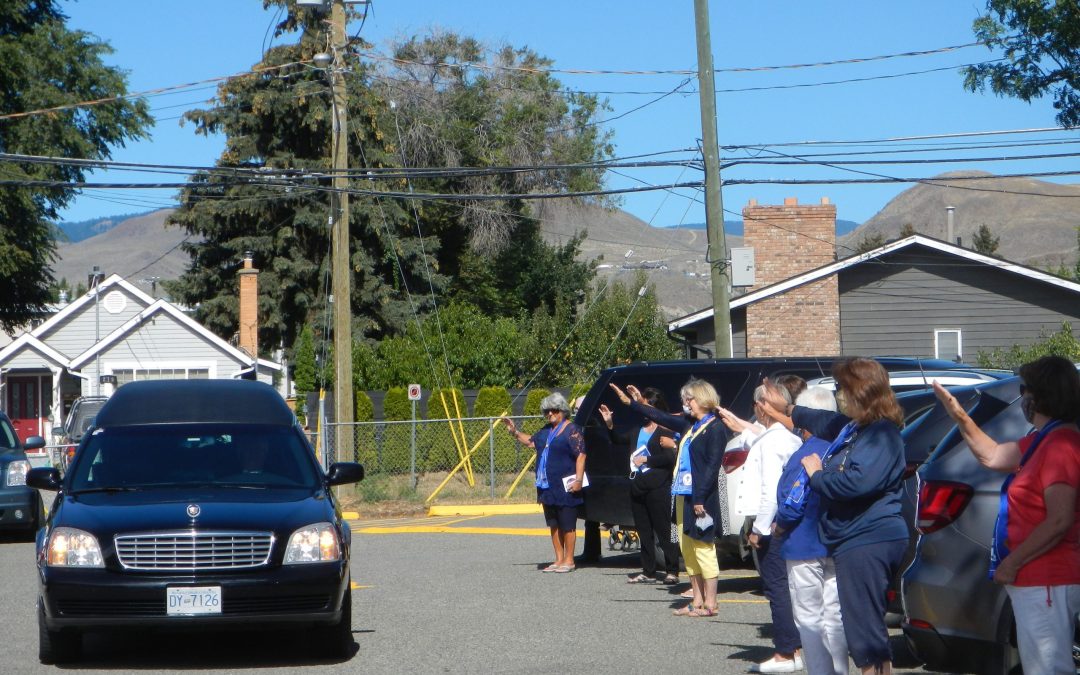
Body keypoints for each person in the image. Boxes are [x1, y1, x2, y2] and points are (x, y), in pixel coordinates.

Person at [933, 356, 1080, 675]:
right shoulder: (1043, 439)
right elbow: (993, 455)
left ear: (1042, 396)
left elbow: (1059, 520)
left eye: (1025, 390)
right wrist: (960, 416)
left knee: (1049, 668)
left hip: (1047, 579)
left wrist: (1012, 563)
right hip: (1037, 579)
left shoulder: (1060, 444)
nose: (1023, 397)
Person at [760, 357, 907, 675]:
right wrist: (786, 408)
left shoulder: (881, 433)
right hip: (852, 538)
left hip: (869, 538)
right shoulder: (854, 427)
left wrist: (816, 475)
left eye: (842, 388)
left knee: (865, 628)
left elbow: (857, 482)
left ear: (860, 392)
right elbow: (819, 418)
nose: (838, 394)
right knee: (859, 625)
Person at [610, 378, 727, 617]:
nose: (686, 404)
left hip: (700, 498)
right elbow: (661, 417)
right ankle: (696, 600)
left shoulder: (715, 428)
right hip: (682, 493)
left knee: (704, 547)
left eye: (690, 399)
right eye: (685, 399)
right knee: (688, 548)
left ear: (704, 399)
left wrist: (700, 498)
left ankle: (711, 603)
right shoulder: (689, 424)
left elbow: (712, 467)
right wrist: (633, 404)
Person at [730, 383, 804, 674]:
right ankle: (794, 647)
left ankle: (787, 651)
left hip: (771, 525)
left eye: (755, 404)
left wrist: (759, 529)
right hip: (786, 523)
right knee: (790, 587)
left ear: (764, 406)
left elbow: (770, 491)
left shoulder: (773, 442)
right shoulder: (786, 438)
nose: (754, 409)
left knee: (777, 588)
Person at [775, 387, 849, 675]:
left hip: (803, 542)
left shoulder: (806, 452)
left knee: (809, 618)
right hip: (834, 541)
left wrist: (779, 525)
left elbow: (794, 500)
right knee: (834, 616)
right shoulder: (842, 446)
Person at [598, 387, 680, 584]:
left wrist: (647, 460)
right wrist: (609, 424)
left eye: (647, 405)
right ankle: (648, 570)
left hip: (658, 486)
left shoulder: (665, 431)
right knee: (643, 531)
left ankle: (672, 570)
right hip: (638, 486)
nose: (644, 410)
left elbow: (670, 459)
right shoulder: (637, 431)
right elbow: (617, 439)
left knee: (664, 530)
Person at [503, 393, 587, 573]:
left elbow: (581, 455)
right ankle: (558, 559)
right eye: (546, 411)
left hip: (566, 485)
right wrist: (514, 432)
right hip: (547, 486)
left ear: (563, 411)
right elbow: (531, 442)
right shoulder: (545, 431)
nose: (549, 414)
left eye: (553, 410)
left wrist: (579, 479)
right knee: (554, 524)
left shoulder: (571, 429)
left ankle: (569, 560)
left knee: (568, 525)